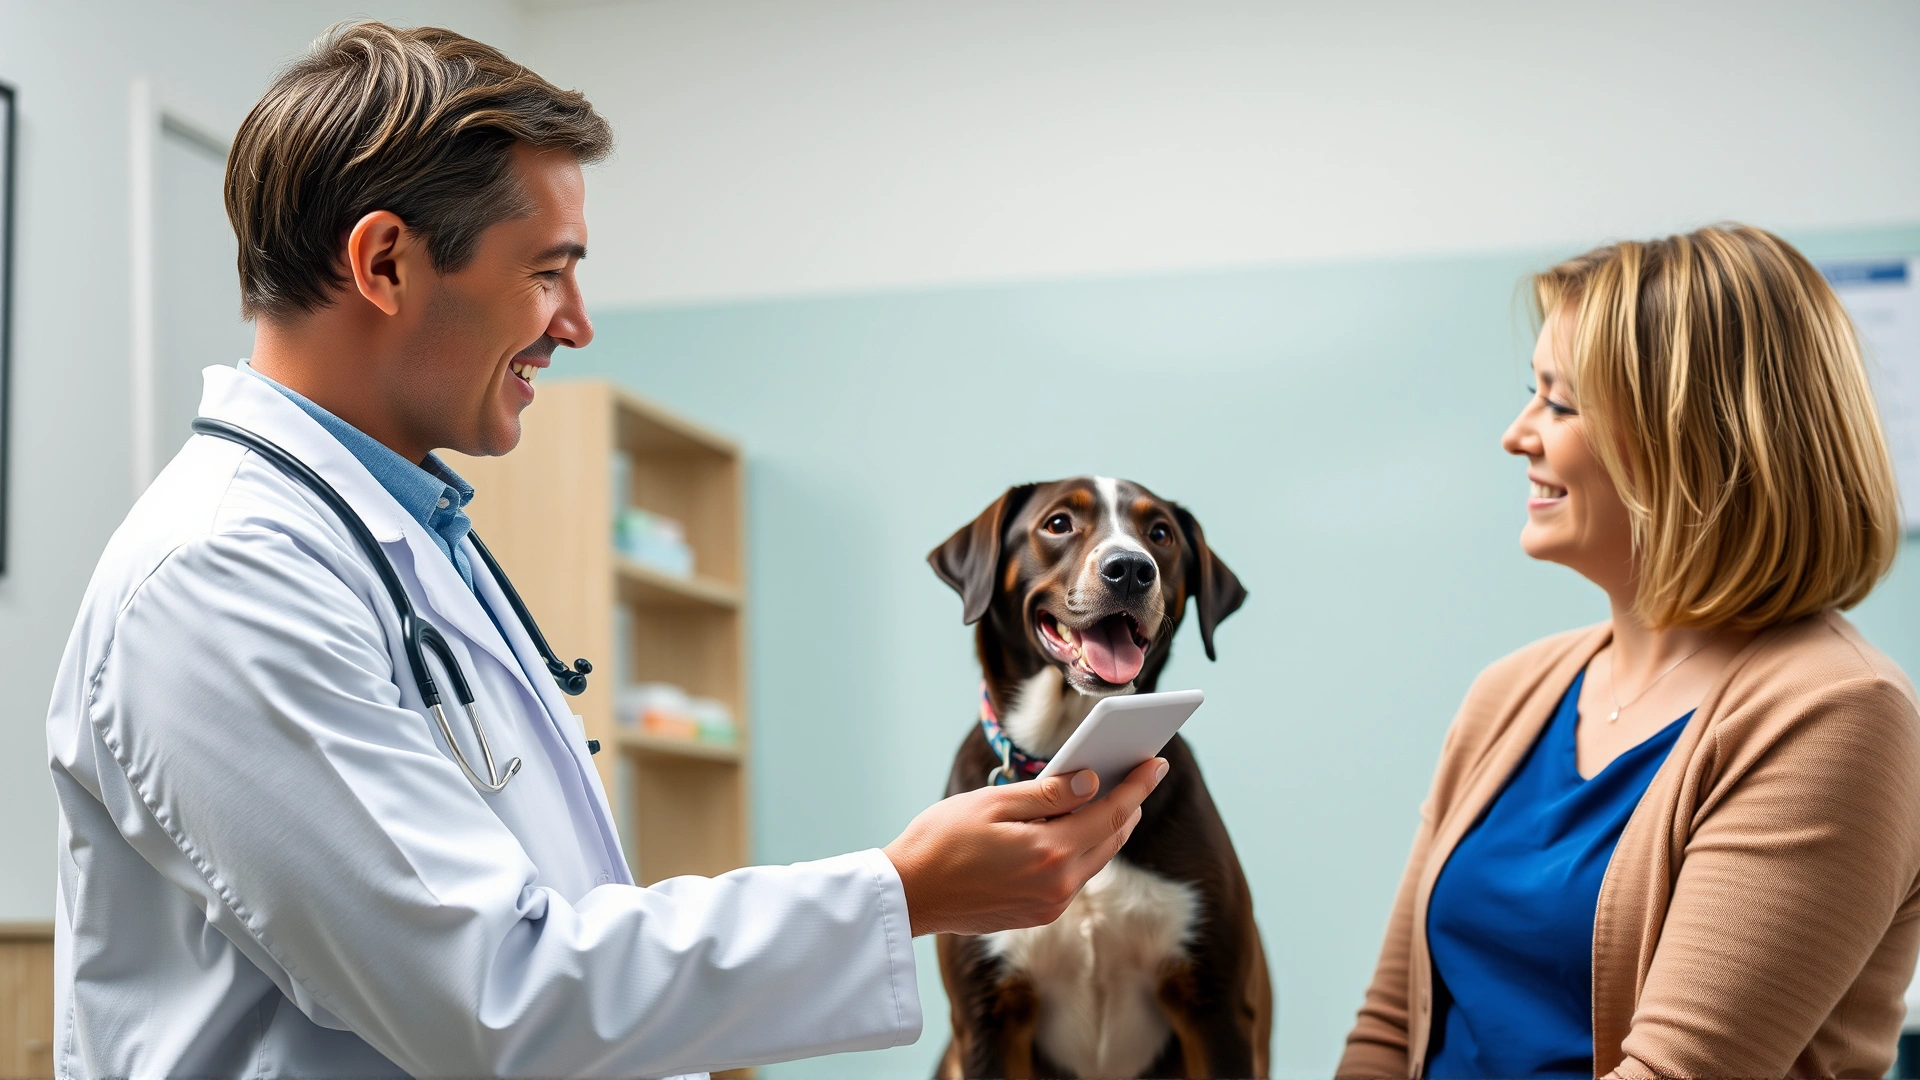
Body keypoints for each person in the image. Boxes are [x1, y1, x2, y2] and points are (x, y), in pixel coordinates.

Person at [44, 22, 1164, 1078]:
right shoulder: (224, 577)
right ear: (385, 264)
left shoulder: (402, 537)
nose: (575, 322)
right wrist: (903, 891)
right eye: (546, 271)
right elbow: (497, 991)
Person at [1337, 224, 1920, 1078]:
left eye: (1560, 403)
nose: (1517, 434)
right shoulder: (1513, 691)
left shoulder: (1835, 714)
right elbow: (1391, 1030)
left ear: (1692, 440)